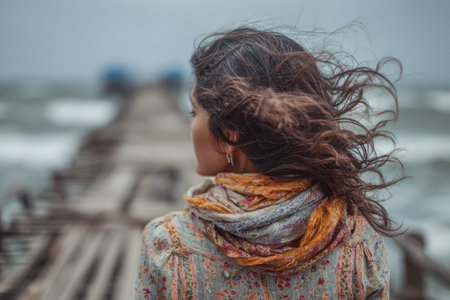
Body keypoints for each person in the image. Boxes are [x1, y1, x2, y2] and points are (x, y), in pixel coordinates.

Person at [136, 27, 403, 299]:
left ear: (230, 133)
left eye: (194, 112)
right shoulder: (359, 243)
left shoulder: (168, 245)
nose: (190, 125)